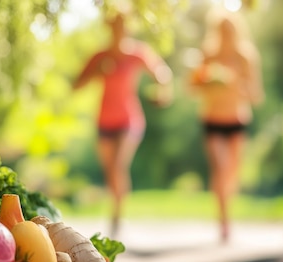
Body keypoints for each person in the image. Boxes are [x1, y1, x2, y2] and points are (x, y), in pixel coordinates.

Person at [73, 11, 173, 238]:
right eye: (115, 24)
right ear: (109, 26)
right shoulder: (100, 56)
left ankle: (117, 219)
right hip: (104, 121)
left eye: (124, 24)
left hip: (129, 120)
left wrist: (162, 90)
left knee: (118, 165)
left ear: (130, 27)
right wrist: (97, 73)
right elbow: (76, 84)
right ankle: (115, 212)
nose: (120, 28)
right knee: (111, 172)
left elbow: (162, 73)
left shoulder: (138, 54)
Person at [188, 8, 264, 244]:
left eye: (230, 30)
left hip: (237, 120)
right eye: (222, 30)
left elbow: (257, 95)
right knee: (220, 169)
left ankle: (225, 210)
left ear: (237, 30)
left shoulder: (246, 57)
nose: (226, 34)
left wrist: (238, 85)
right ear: (216, 31)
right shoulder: (208, 56)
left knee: (231, 174)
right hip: (212, 119)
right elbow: (192, 87)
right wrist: (209, 82)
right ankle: (224, 222)